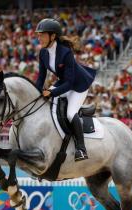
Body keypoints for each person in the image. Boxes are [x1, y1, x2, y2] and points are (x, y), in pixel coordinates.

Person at [35, 18, 96, 161]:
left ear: (52, 36)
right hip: (64, 82)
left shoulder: (65, 52)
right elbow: (41, 78)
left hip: (78, 85)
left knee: (70, 113)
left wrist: (51, 92)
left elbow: (69, 83)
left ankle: (81, 149)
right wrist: (36, 92)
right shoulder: (43, 53)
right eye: (38, 35)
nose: (39, 38)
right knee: (44, 104)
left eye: (42, 34)